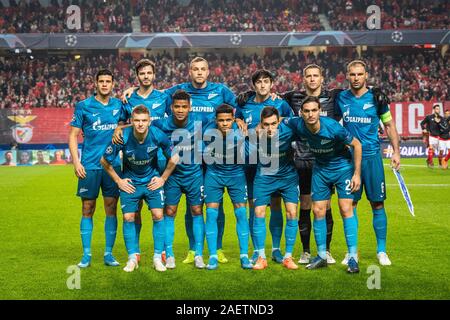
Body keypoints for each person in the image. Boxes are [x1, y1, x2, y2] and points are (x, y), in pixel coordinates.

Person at [124, 57, 245, 265]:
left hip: (206, 162)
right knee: (183, 209)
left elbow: (238, 107)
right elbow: (151, 91)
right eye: (195, 69)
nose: (199, 72)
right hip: (175, 170)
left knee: (212, 206)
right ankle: (189, 250)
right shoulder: (176, 93)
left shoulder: (221, 91)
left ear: (208, 71)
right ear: (190, 71)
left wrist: (240, 119)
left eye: (202, 69)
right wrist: (131, 91)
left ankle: (216, 248)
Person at [284, 96, 362, 273]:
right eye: (307, 111)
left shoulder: (333, 127)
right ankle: (321, 256)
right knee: (318, 210)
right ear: (301, 113)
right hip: (321, 168)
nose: (311, 114)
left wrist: (357, 174)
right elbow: (282, 119)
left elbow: (357, 145)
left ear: (319, 111)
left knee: (345, 208)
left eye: (314, 110)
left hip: (342, 167)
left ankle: (352, 257)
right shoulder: (298, 124)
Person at [335, 60, 401, 266]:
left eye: (360, 74)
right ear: (347, 76)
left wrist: (396, 152)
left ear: (366, 76)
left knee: (377, 203)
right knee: (349, 204)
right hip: (348, 159)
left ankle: (381, 251)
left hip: (372, 157)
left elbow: (389, 126)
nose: (356, 78)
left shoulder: (377, 98)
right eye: (352, 74)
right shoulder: (340, 98)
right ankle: (351, 252)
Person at [100, 105, 178, 272]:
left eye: (144, 120)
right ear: (131, 121)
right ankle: (132, 257)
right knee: (128, 217)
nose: (140, 124)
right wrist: (119, 181)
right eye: (137, 120)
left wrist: (163, 179)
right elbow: (104, 161)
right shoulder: (122, 136)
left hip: (152, 181)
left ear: (149, 121)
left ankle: (157, 257)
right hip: (131, 183)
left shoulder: (157, 135)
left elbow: (175, 158)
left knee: (158, 215)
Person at [235, 69, 293, 264]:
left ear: (271, 84)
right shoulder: (245, 104)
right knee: (254, 207)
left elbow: (290, 122)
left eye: (266, 81)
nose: (262, 85)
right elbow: (237, 120)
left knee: (276, 205)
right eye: (258, 82)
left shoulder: (280, 104)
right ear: (254, 85)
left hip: (274, 163)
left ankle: (276, 249)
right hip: (251, 163)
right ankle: (257, 250)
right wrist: (238, 120)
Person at [68, 69, 123, 268]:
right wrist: (76, 162)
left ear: (113, 83)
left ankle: (108, 254)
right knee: (87, 208)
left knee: (111, 209)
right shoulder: (84, 106)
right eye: (101, 81)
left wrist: (120, 129)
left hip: (113, 166)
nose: (105, 84)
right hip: (89, 166)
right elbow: (73, 135)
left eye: (108, 81)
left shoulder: (119, 105)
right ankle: (86, 255)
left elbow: (129, 123)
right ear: (95, 83)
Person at [119, 59, 173, 262]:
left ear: (154, 74)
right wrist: (119, 127)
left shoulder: (164, 97)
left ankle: (164, 250)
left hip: (160, 161)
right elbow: (124, 125)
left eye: (149, 73)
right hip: (136, 161)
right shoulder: (129, 99)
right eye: (142, 73)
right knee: (135, 210)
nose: (146, 76)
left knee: (162, 209)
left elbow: (175, 116)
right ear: (137, 76)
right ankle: (136, 251)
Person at [151, 90, 206, 269]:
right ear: (171, 108)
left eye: (184, 107)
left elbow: (223, 121)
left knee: (197, 211)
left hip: (194, 175)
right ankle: (170, 254)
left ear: (190, 107)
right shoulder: (161, 124)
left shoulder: (200, 120)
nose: (180, 110)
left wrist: (237, 120)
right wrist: (121, 128)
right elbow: (139, 125)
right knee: (170, 211)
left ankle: (198, 254)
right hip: (172, 177)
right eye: (177, 106)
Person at [203, 104, 252, 270]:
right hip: (214, 175)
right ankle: (212, 256)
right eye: (221, 120)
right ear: (215, 121)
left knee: (241, 213)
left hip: (236, 174)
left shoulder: (241, 134)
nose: (224, 123)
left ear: (233, 120)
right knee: (210, 214)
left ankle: (244, 256)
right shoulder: (206, 132)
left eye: (228, 120)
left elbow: (248, 156)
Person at [251, 106, 299, 270]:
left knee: (292, 212)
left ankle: (287, 256)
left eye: (273, 124)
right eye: (266, 124)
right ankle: (261, 257)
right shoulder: (255, 135)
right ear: (261, 124)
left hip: (287, 176)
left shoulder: (288, 129)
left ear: (279, 121)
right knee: (258, 212)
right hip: (264, 176)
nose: (270, 128)